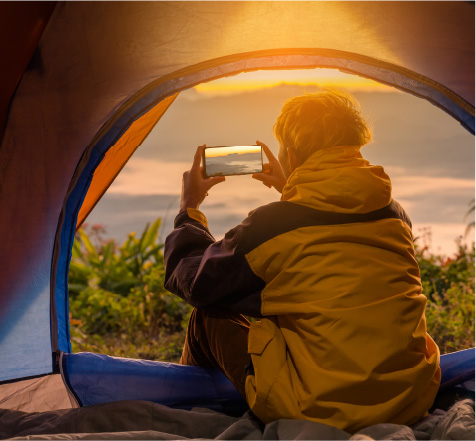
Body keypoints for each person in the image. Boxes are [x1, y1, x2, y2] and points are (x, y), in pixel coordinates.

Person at [163, 89, 441, 433]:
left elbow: (193, 281)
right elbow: (330, 245)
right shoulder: (393, 215)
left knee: (208, 314)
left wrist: (189, 210)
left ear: (290, 154)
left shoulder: (272, 226)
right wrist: (290, 187)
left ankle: (187, 416)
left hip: (317, 409)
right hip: (409, 397)